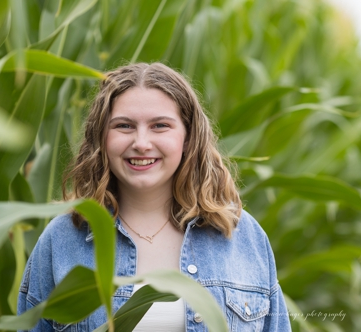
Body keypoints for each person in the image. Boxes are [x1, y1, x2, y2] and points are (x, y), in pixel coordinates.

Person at [17, 62, 291, 331]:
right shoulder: (62, 240)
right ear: (102, 138)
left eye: (160, 126)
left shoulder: (244, 237)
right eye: (124, 126)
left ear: (188, 137)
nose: (141, 143)